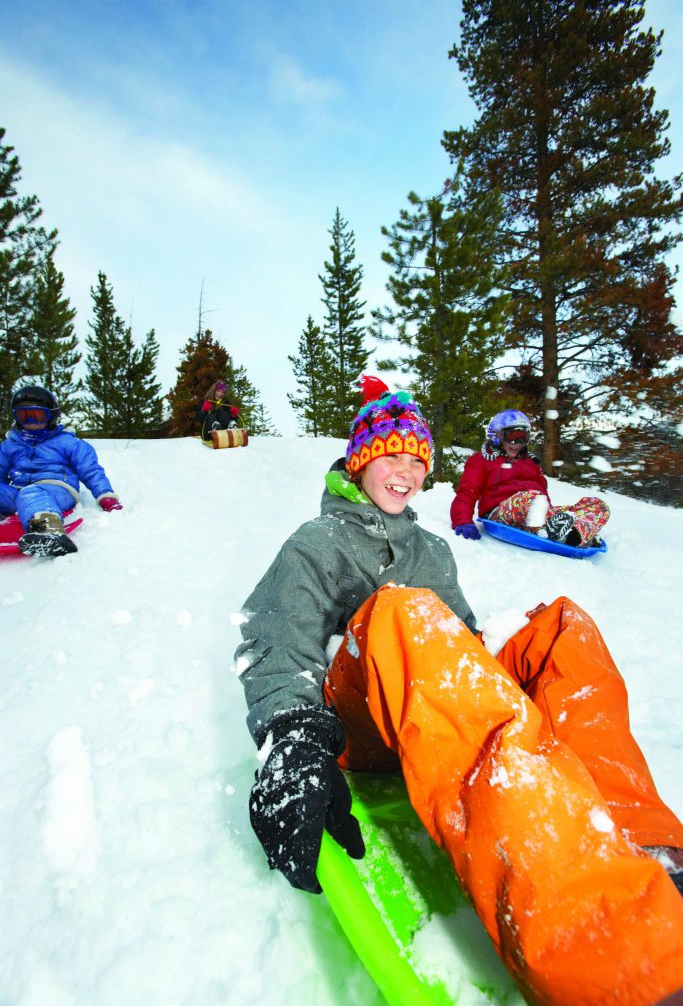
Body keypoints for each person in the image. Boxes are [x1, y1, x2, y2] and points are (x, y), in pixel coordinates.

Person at [236, 377, 683, 1006]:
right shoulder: (317, 542)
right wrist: (292, 736)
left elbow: (462, 648)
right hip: (360, 719)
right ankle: (608, 936)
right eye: (390, 455)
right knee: (402, 610)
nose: (405, 471)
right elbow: (275, 632)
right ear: (361, 460)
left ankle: (651, 850)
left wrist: (509, 662)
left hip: (435, 704)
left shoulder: (433, 551)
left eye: (417, 460)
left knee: (561, 628)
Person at [450, 409, 610, 547]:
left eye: (523, 437)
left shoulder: (530, 462)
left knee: (597, 505)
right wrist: (462, 520)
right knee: (529, 499)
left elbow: (543, 495)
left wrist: (551, 513)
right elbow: (467, 491)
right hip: (501, 512)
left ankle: (572, 535)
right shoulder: (482, 460)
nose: (518, 443)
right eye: (513, 436)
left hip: (535, 509)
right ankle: (556, 530)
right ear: (497, 435)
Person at [0, 385, 122, 558]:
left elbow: (90, 470)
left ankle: (48, 530)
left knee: (32, 492)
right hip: (19, 492)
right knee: (24, 493)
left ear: (51, 415)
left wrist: (105, 495)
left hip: (58, 490)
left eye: (37, 415)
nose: (30, 422)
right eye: (23, 415)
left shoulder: (68, 443)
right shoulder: (10, 445)